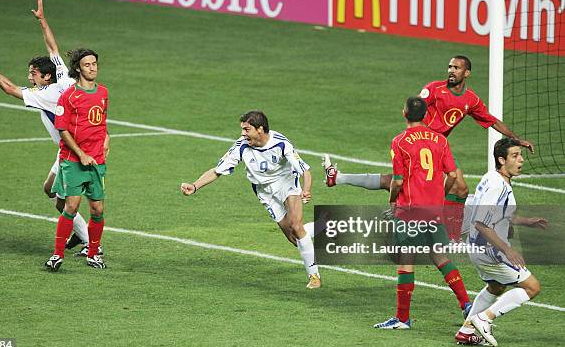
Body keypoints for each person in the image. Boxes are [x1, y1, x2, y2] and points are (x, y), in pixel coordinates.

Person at [322, 55, 534, 241]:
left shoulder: (471, 100)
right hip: (421, 143)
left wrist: (516, 138)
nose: (451, 71)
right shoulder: (434, 89)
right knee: (407, 182)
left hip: (438, 146)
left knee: (455, 187)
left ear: (466, 72)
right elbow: (416, 107)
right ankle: (438, 227)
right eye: (450, 67)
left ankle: (445, 229)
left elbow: (491, 120)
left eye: (456, 68)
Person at [0, 0, 93, 255]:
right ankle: (83, 237)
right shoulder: (61, 74)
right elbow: (52, 48)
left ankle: (91, 244)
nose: (30, 77)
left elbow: (8, 88)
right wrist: (42, 21)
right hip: (72, 147)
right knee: (50, 190)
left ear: (46, 76)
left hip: (74, 151)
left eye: (33, 74)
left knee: (64, 202)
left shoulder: (45, 94)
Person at [180, 111, 320, 288]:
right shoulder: (241, 146)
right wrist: (195, 185)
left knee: (296, 225)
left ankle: (314, 276)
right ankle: (325, 225)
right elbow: (217, 170)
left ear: (260, 129)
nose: (242, 134)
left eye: (246, 129)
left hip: (287, 184)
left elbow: (305, 171)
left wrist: (306, 190)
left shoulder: (282, 144)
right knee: (295, 238)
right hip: (265, 193)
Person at [374, 97, 472, 329]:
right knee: (440, 256)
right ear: (426, 114)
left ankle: (402, 318)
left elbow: (397, 181)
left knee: (406, 260)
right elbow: (452, 176)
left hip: (409, 209)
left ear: (404, 112)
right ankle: (467, 305)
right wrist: (441, 196)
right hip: (434, 209)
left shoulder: (399, 141)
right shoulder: (439, 140)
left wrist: (392, 202)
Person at [454, 138, 547, 347]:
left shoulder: (493, 178)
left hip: (477, 247)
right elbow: (480, 223)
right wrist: (508, 250)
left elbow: (498, 213)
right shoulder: (498, 187)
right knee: (532, 287)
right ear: (501, 160)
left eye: (520, 155)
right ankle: (485, 318)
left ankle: (467, 330)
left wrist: (526, 221)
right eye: (515, 156)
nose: (521, 160)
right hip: (491, 250)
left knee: (496, 286)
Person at [45, 48, 110, 271]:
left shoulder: (103, 93)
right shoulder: (69, 96)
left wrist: (107, 138)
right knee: (71, 206)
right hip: (73, 160)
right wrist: (81, 154)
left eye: (94, 64)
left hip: (97, 161)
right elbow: (62, 129)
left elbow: (102, 122)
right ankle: (57, 254)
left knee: (98, 210)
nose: (92, 68)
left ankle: (94, 254)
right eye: (87, 65)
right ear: (78, 69)